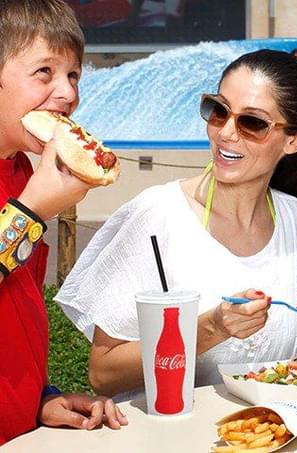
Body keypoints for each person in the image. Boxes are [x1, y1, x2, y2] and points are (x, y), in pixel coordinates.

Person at [55, 49, 297, 398]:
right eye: (218, 111)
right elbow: (104, 373)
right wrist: (211, 328)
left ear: (294, 140)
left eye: (252, 122)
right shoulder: (156, 215)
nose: (226, 132)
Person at [0, 0, 127, 445]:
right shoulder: (31, 191)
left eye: (73, 75)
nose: (68, 93)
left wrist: (41, 398)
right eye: (45, 72)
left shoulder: (21, 171)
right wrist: (32, 210)